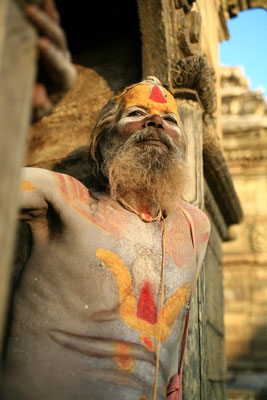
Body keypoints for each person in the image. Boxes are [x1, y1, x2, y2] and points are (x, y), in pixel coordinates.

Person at [1, 2, 210, 400]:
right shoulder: (59, 200)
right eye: (137, 113)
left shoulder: (194, 226)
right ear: (105, 137)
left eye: (169, 120)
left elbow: (178, 334)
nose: (156, 122)